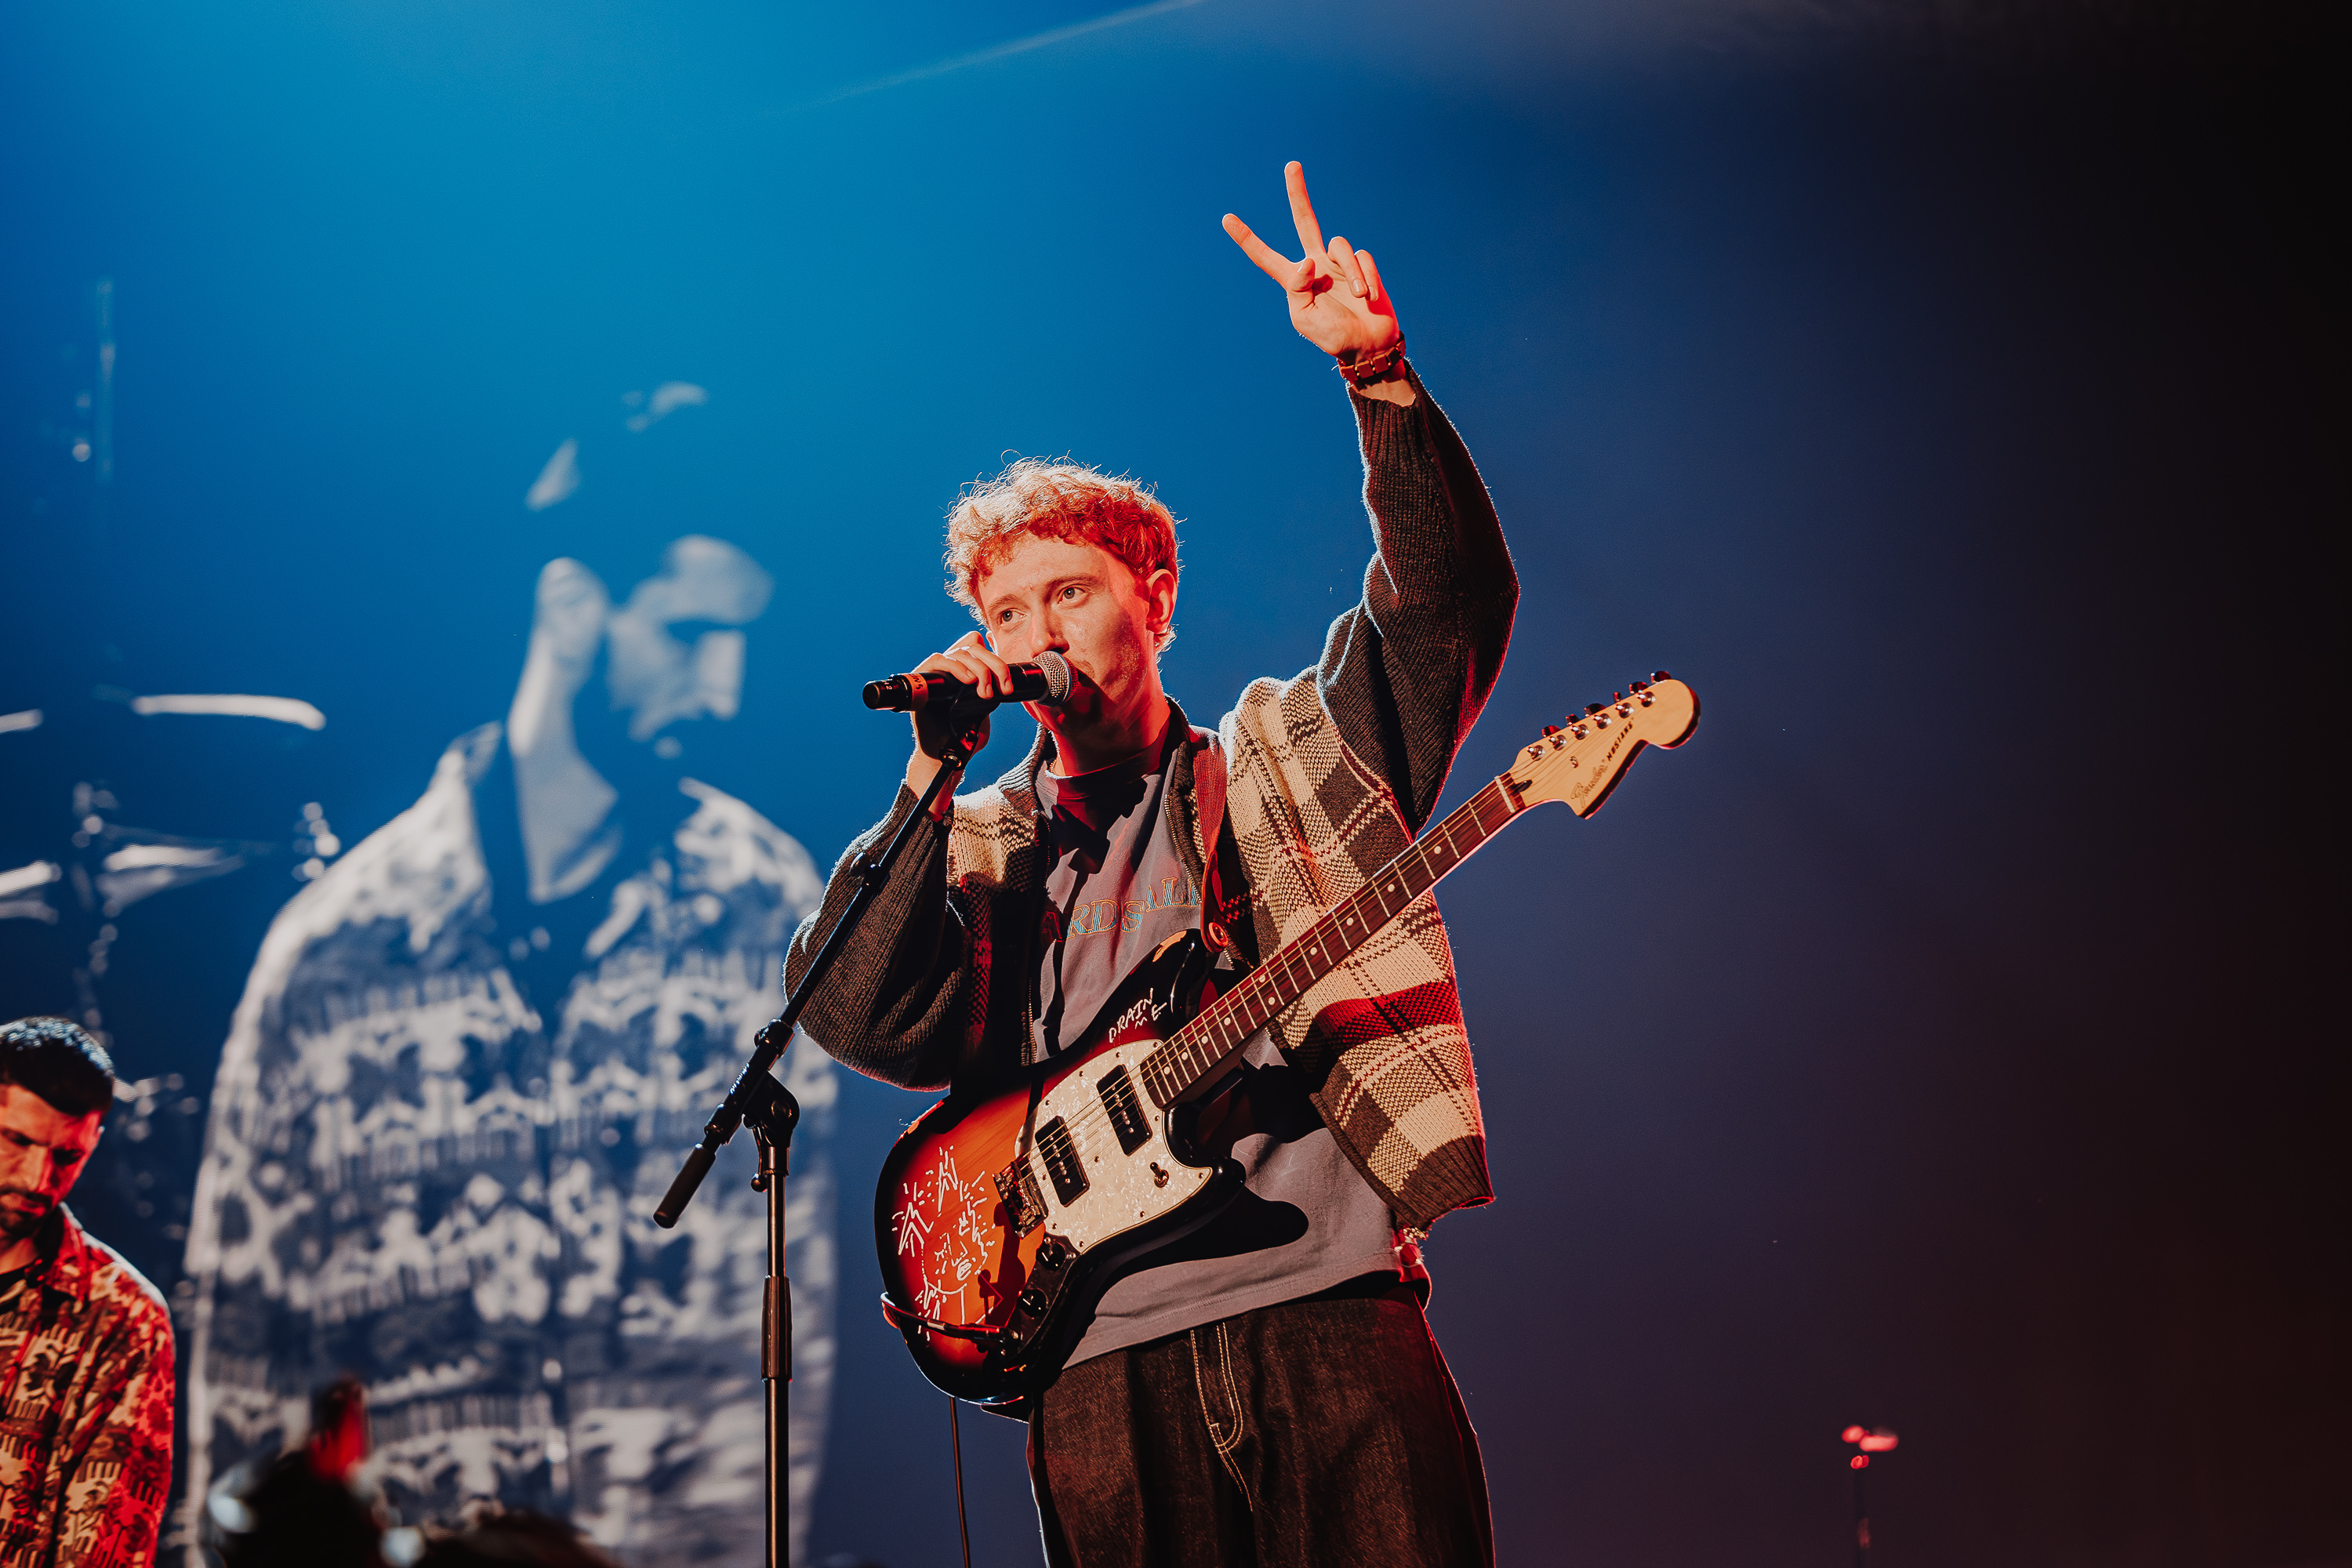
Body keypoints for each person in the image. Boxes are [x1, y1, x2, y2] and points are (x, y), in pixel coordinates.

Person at [788, 162, 1515, 1566]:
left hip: (1326, 1303)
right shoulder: (983, 841)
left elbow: (1445, 613)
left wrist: (1377, 376)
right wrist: (928, 776)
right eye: (1007, 608)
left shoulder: (1291, 751)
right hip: (1097, 1357)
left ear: (1155, 598)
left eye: (1068, 592)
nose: (1036, 628)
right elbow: (855, 1016)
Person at [177, 537, 840, 1566]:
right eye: (688, 634)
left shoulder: (765, 908)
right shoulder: (334, 948)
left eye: (741, 642)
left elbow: (800, 1317)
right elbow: (245, 1366)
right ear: (573, 605)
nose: (723, 688)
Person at [0, 1016, 176, 1566]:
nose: (37, 1178)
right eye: (17, 1141)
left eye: (66, 1157)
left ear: (94, 1143)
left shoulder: (124, 1319)